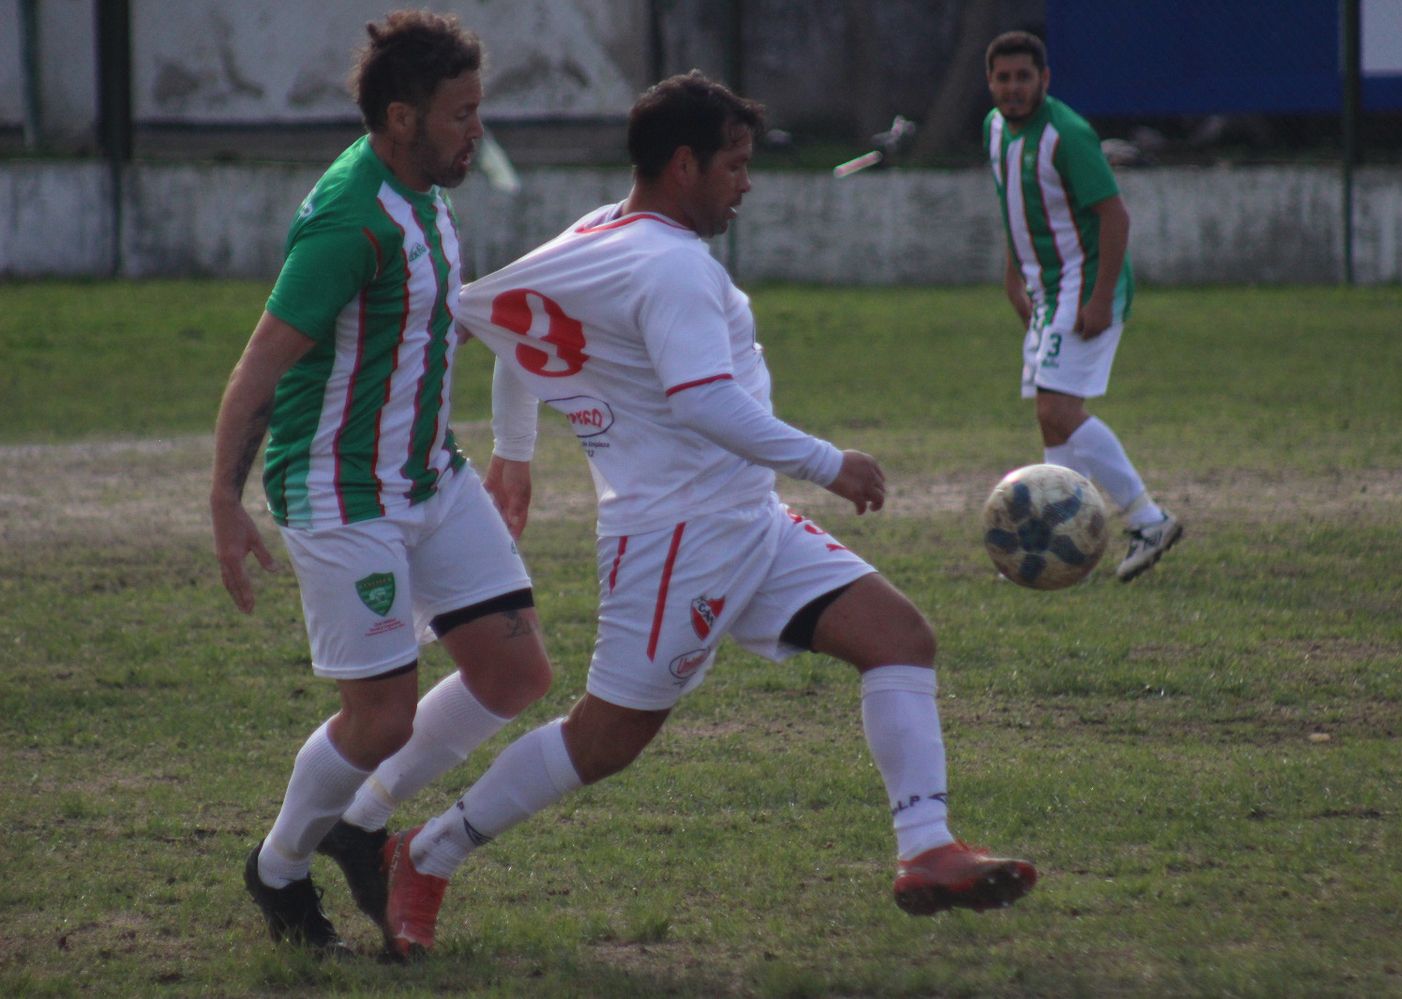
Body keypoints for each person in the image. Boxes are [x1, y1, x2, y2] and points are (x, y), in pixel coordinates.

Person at [364, 70, 1038, 960]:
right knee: (604, 740)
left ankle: (927, 849)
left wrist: (516, 453)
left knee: (900, 638)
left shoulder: (605, 232)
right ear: (683, 165)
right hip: (678, 534)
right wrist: (831, 463)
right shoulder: (673, 262)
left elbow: (519, 325)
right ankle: (425, 851)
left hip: (743, 517)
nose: (747, 183)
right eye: (735, 164)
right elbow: (703, 402)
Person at [209, 10, 552, 954]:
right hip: (340, 492)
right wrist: (224, 504)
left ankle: (361, 823)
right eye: (461, 114)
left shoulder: (422, 183)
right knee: (381, 714)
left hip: (428, 478)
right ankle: (278, 867)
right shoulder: (351, 220)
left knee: (515, 670)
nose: (476, 132)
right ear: (402, 117)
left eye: (479, 110)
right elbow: (260, 369)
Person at [982, 30, 1182, 582]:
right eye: (1004, 78)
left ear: (1044, 80)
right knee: (1053, 422)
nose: (1014, 87)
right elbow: (1015, 208)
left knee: (1057, 411)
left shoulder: (1067, 134)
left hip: (1084, 284)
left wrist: (1098, 298)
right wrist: (1012, 277)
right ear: (990, 82)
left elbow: (1115, 217)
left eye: (1025, 77)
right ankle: (1056, 546)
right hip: (1046, 288)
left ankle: (1149, 519)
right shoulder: (994, 129)